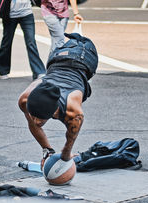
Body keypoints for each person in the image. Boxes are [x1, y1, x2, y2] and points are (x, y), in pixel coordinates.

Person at [18, 33, 98, 166]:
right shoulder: (25, 100)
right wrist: (48, 151)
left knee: (83, 43)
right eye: (34, 115)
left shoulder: (73, 113)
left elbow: (70, 140)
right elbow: (34, 121)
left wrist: (66, 155)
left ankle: (79, 41)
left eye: (40, 117)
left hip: (84, 58)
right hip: (57, 58)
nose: (36, 121)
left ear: (54, 111)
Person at [0, 0, 46, 80]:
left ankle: (38, 71)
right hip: (10, 14)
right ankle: (3, 70)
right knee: (7, 42)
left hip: (26, 13)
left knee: (31, 42)